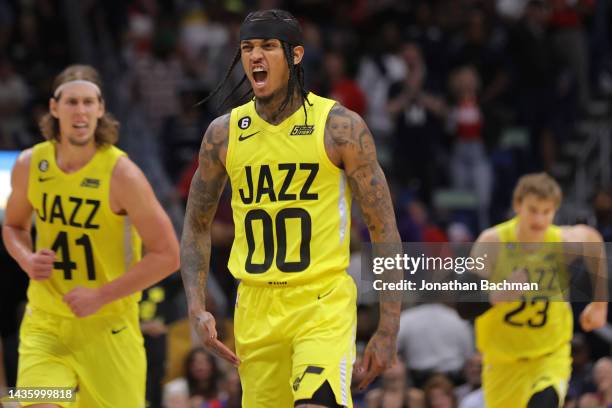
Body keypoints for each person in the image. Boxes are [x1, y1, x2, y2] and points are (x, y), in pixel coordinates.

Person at [180, 9, 402, 408]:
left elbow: (383, 228)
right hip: (254, 306)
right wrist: (196, 306)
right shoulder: (223, 133)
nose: (255, 56)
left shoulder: (340, 127)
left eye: (267, 46)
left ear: (296, 55)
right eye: (247, 48)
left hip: (320, 301)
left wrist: (387, 328)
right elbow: (196, 224)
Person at [1, 64, 180, 407]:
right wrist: (27, 259)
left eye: (88, 102)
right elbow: (13, 227)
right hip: (45, 325)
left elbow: (167, 255)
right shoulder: (29, 164)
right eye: (71, 102)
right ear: (54, 108)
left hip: (109, 330)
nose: (80, 111)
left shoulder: (122, 174)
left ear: (100, 109)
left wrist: (101, 295)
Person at [463, 173, 608, 407]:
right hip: (502, 363)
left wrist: (600, 303)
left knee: (544, 400)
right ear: (517, 205)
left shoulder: (561, 242)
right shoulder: (493, 243)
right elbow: (462, 306)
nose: (539, 219)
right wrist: (495, 297)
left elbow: (593, 239)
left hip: (549, 357)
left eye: (546, 211)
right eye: (533, 210)